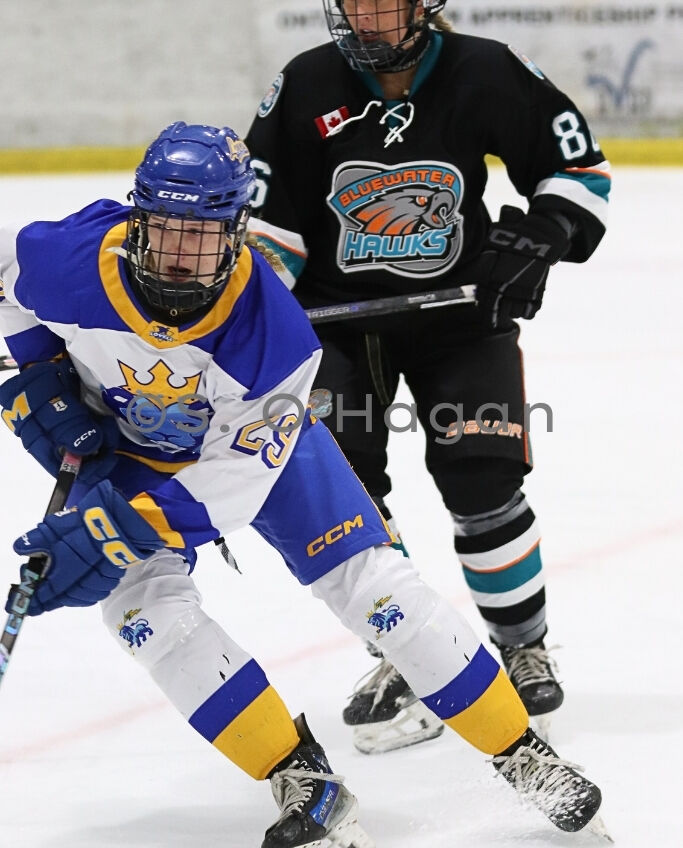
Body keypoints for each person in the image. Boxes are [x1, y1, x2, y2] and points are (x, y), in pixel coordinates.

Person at [0, 122, 607, 847]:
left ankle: (523, 754)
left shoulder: (273, 334)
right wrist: (36, 377)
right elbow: (4, 284)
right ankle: (301, 776)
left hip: (262, 455)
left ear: (236, 234)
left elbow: (233, 483)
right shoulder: (68, 258)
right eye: (165, 231)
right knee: (143, 613)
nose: (181, 256)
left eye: (203, 237)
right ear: (138, 221)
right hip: (125, 450)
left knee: (377, 590)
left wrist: (114, 529)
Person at [245, 0, 611, 753]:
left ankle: (522, 647)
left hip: (460, 318)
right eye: (352, 3)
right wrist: (261, 308)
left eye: (382, 3)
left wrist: (541, 233)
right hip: (334, 328)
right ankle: (411, 653)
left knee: (482, 481)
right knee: (347, 500)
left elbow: (577, 168)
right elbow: (265, 221)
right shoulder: (306, 82)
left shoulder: (485, 69)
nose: (364, 18)